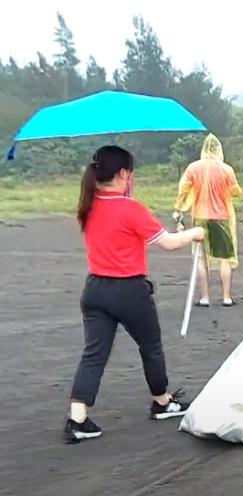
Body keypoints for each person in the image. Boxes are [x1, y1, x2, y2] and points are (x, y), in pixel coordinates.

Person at [66, 146, 204, 443]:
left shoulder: (87, 207)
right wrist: (194, 234)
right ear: (123, 174)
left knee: (94, 354)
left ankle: (77, 417)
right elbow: (167, 242)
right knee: (150, 347)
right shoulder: (130, 209)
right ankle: (162, 401)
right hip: (129, 291)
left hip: (94, 290)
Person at [173, 134, 242, 307]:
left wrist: (179, 208)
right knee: (225, 258)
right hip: (222, 217)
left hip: (200, 216)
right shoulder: (226, 169)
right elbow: (235, 192)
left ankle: (205, 297)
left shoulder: (193, 168)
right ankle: (226, 296)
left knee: (201, 258)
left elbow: (183, 190)